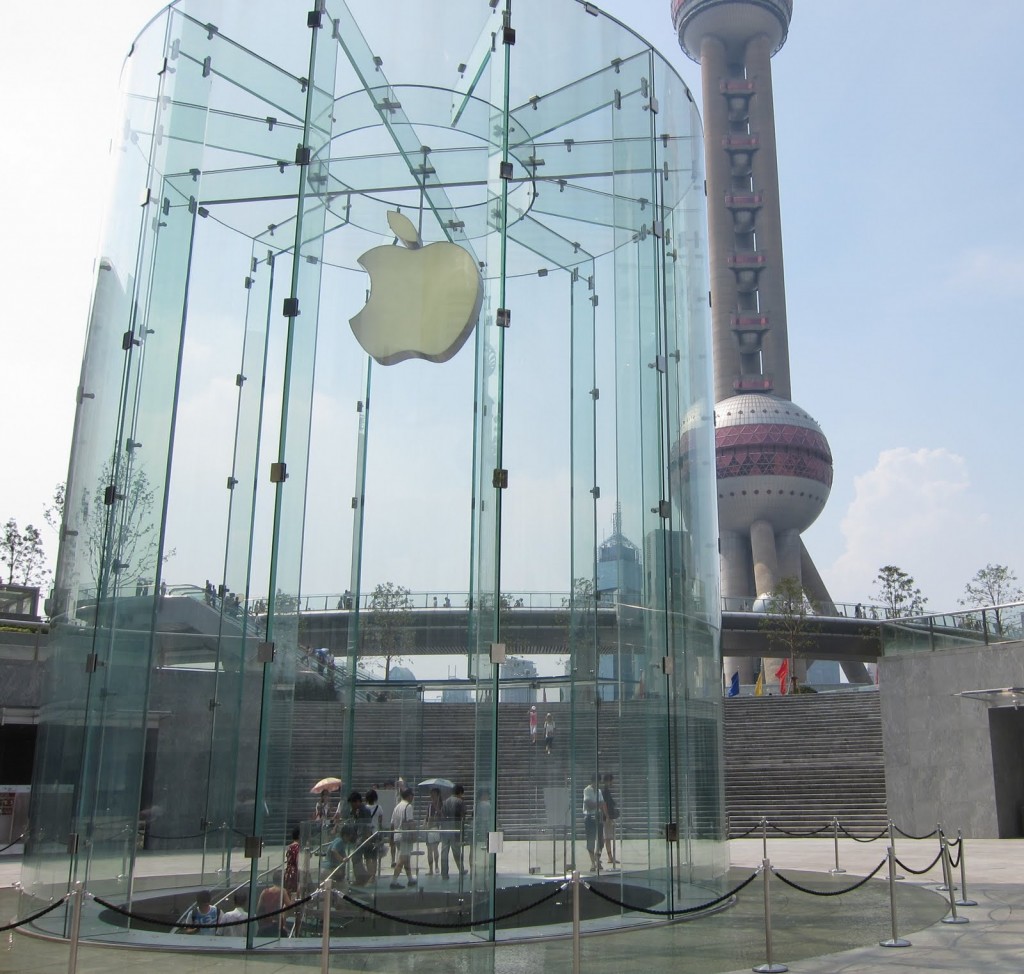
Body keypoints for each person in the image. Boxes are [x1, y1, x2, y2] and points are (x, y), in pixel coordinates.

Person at [390, 787, 417, 889]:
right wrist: (414, 834)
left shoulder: (397, 807)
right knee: (402, 859)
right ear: (409, 796)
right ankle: (394, 881)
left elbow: (392, 823)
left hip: (397, 834)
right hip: (405, 836)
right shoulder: (408, 806)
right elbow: (410, 822)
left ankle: (410, 879)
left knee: (406, 858)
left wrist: (391, 837)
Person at [439, 784, 467, 879]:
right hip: (456, 828)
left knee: (444, 851)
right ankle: (461, 869)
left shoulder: (445, 801)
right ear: (460, 792)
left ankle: (444, 873)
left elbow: (442, 815)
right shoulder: (460, 801)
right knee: (457, 851)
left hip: (445, 828)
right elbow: (463, 816)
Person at [582, 774, 605, 871]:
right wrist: (597, 805)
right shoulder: (587, 790)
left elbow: (602, 804)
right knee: (590, 840)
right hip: (589, 816)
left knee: (600, 840)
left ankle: (597, 859)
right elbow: (589, 805)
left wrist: (596, 805)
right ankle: (592, 863)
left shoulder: (599, 791)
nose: (597, 784)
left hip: (598, 816)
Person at [363, 788, 384, 884]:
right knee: (374, 856)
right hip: (376, 833)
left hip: (366, 834)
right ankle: (373, 875)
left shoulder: (364, 808)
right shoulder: (379, 808)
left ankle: (369, 875)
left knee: (367, 857)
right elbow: (380, 822)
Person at [424, 787, 443, 875]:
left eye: (434, 794)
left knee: (435, 848)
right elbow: (427, 816)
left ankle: (436, 866)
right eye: (431, 794)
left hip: (436, 827)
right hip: (429, 828)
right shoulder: (430, 805)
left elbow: (442, 816)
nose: (432, 796)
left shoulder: (441, 804)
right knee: (429, 849)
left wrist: (438, 811)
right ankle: (430, 869)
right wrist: (424, 824)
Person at [601, 772, 619, 866]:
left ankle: (610, 857)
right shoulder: (605, 791)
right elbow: (604, 804)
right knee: (606, 838)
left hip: (607, 817)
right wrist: (607, 816)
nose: (613, 782)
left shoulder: (606, 790)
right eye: (612, 780)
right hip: (606, 817)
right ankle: (605, 856)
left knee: (607, 838)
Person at [283, 827, 300, 896]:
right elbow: (298, 861)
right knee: (295, 894)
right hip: (295, 873)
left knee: (288, 893)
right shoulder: (299, 847)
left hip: (288, 871)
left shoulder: (289, 847)